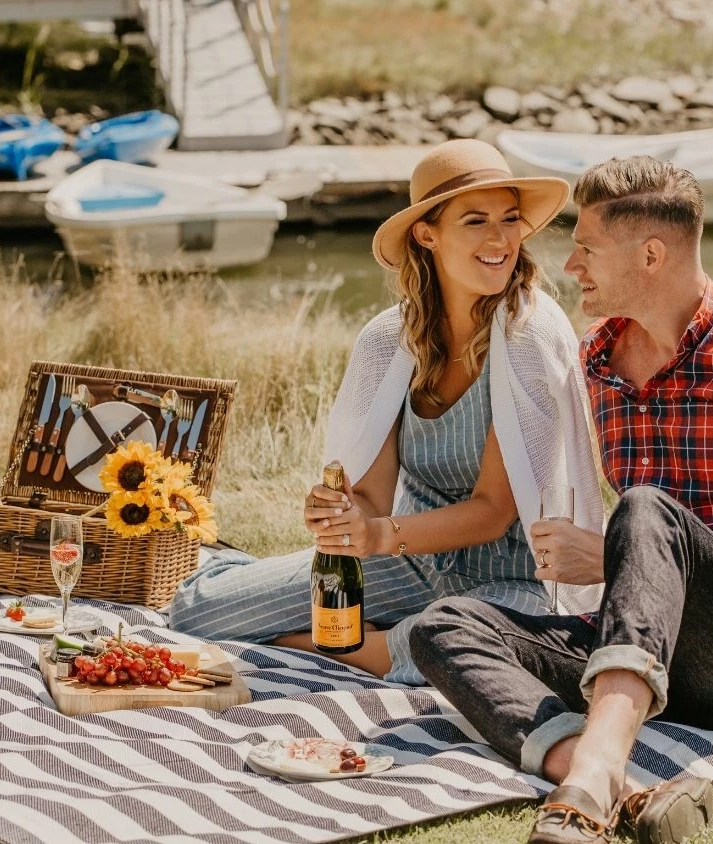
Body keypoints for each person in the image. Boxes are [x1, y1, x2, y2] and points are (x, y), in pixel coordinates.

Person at [409, 155, 713, 844]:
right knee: (443, 626)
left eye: (586, 247)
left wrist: (618, 555)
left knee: (645, 511)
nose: (570, 265)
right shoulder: (595, 360)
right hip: (648, 655)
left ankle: (593, 768)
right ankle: (620, 786)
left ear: (651, 254)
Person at [169, 139, 606, 683]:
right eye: (475, 221)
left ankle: (330, 644)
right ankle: (356, 636)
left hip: (513, 579)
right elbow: (372, 498)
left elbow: (493, 510)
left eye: (510, 219)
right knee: (198, 611)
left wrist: (375, 536)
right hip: (411, 561)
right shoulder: (388, 341)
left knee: (458, 645)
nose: (500, 239)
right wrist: (346, 518)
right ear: (427, 233)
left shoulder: (529, 337)